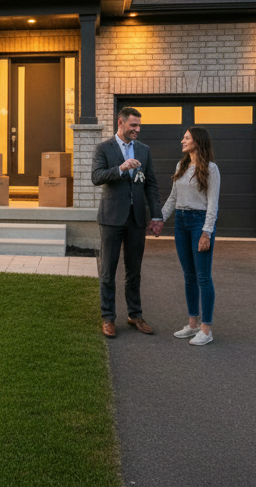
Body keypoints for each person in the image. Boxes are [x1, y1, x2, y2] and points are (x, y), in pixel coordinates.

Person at [91, 107, 164, 338]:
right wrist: (120, 169)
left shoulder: (144, 150)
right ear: (120, 123)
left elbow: (151, 184)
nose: (137, 130)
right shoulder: (103, 148)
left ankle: (135, 315)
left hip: (136, 219)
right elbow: (96, 176)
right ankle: (108, 318)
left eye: (139, 125)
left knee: (134, 270)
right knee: (108, 271)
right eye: (133, 125)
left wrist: (156, 215)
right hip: (111, 218)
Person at [157, 127, 221, 346]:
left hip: (199, 222)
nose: (182, 140)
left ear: (198, 142)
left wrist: (206, 232)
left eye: (187, 138)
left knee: (203, 276)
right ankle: (193, 324)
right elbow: (173, 198)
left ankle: (206, 329)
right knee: (189, 275)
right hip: (181, 223)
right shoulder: (181, 165)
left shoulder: (211, 169)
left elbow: (213, 203)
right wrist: (160, 220)